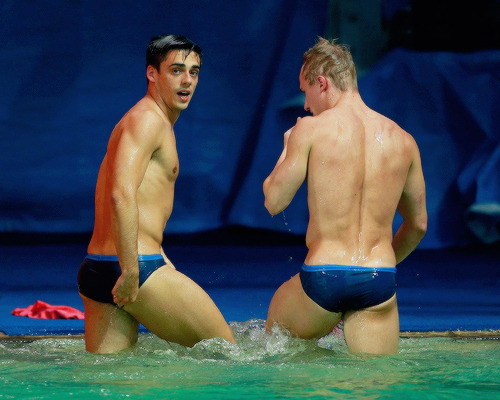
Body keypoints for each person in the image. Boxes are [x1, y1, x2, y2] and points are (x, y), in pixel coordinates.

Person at [263, 37, 427, 355]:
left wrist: (287, 148)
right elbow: (418, 224)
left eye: (305, 92)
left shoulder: (310, 128)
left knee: (279, 352)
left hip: (322, 278)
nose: (306, 105)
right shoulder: (403, 139)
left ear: (321, 83)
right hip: (380, 278)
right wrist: (378, 265)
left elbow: (274, 201)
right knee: (373, 383)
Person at [77, 35, 236, 353]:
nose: (187, 80)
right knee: (229, 357)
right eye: (176, 70)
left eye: (194, 72)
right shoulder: (148, 120)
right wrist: (132, 270)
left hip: (99, 267)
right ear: (153, 74)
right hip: (133, 267)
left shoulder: (144, 120)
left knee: (108, 382)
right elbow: (121, 195)